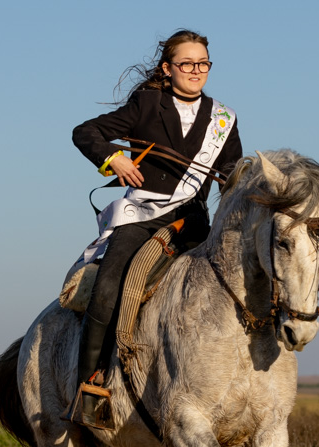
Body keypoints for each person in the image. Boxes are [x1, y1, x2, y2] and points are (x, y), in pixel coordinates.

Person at [65, 29, 243, 429]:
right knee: (108, 285)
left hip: (193, 220)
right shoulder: (146, 104)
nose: (196, 70)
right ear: (168, 68)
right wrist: (114, 158)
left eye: (203, 63)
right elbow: (85, 132)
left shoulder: (224, 119)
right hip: (143, 216)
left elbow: (232, 173)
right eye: (187, 63)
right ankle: (89, 386)